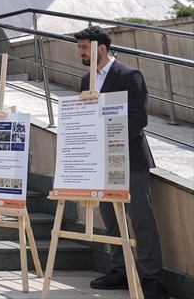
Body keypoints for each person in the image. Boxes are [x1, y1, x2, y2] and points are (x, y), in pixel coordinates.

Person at [76, 26, 168, 299]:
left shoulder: (129, 75)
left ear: (100, 48)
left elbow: (139, 119)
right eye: (79, 47)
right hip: (99, 161)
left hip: (130, 158)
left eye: (84, 47)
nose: (80, 51)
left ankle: (153, 278)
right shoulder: (85, 81)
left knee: (140, 219)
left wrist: (107, 132)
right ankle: (119, 270)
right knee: (110, 219)